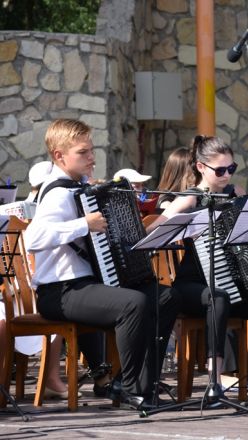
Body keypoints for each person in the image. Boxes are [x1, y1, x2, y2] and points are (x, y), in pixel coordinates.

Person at [24, 119, 180, 410]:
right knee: (132, 303)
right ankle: (130, 388)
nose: (92, 157)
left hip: (87, 286)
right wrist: (85, 223)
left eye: (91, 150)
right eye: (83, 152)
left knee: (166, 297)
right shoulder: (57, 194)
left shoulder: (81, 188)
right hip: (59, 291)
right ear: (59, 156)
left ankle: (138, 382)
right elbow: (34, 238)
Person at [148, 135, 248, 396]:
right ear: (201, 167)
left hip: (240, 284)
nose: (227, 175)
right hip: (194, 286)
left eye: (231, 168)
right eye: (220, 170)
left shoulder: (236, 194)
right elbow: (152, 231)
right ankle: (214, 381)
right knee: (219, 297)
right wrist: (181, 228)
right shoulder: (190, 199)